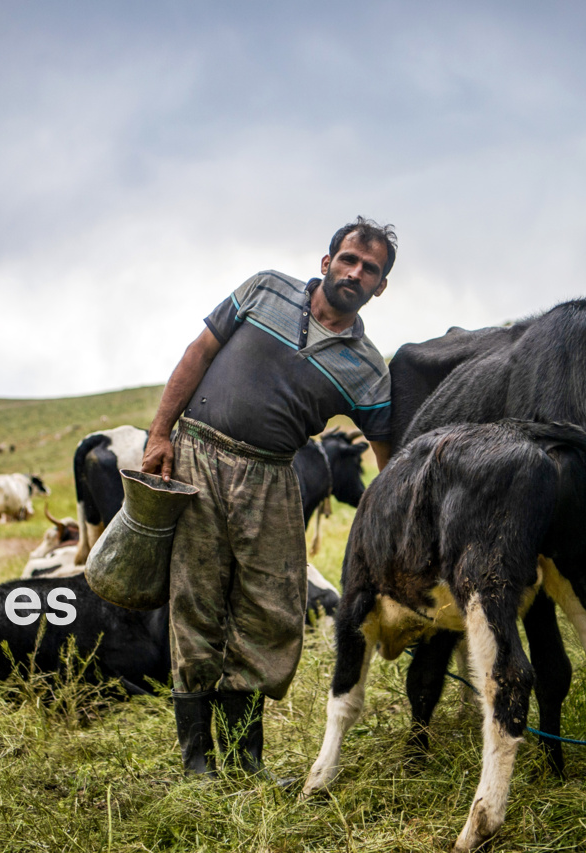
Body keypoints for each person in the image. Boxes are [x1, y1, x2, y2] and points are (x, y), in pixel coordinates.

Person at [141, 217, 396, 778]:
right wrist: (160, 432)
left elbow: (387, 457)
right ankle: (196, 766)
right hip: (198, 458)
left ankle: (242, 762)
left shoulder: (368, 369)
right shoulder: (265, 289)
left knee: (270, 613)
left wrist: (399, 521)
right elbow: (197, 353)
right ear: (327, 262)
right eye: (349, 259)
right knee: (196, 602)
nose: (355, 272)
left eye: (370, 269)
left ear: (380, 287)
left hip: (272, 480)